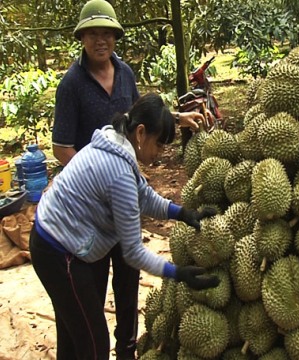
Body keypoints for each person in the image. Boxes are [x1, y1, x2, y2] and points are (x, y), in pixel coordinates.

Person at [50, 1, 197, 358]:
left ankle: (127, 347)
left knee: (129, 278)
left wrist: (176, 118)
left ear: (115, 37)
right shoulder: (71, 84)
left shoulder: (125, 73)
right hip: (94, 209)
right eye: (93, 33)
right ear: (82, 37)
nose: (101, 40)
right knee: (90, 290)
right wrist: (94, 185)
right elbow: (61, 147)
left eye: (107, 33)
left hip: (124, 190)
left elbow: (140, 119)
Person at [30, 93, 219, 360]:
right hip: (59, 252)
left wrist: (182, 213)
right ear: (141, 133)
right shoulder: (118, 171)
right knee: (94, 344)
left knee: (74, 337)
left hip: (51, 238)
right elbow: (132, 252)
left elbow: (144, 195)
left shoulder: (115, 141)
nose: (160, 155)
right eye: (159, 145)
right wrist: (176, 272)